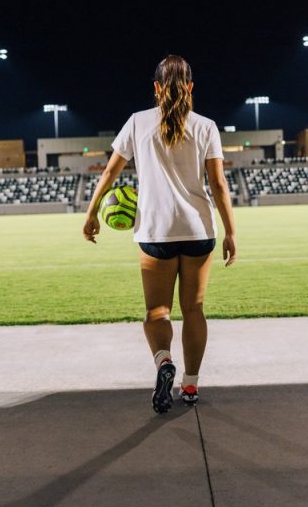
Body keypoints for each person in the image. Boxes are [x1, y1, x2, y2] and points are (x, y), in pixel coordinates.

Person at [83, 55, 237, 413]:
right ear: (191, 87)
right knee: (194, 309)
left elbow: (108, 173)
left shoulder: (138, 122)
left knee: (157, 312)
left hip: (155, 232)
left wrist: (91, 213)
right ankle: (191, 385)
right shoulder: (206, 126)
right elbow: (218, 184)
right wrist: (231, 231)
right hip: (198, 230)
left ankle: (164, 361)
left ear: (156, 88)